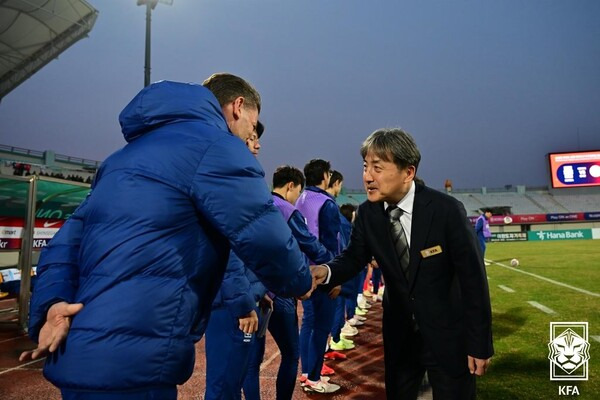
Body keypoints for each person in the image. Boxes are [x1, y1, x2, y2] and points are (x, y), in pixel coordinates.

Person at [20, 74, 315, 400]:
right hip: (138, 356)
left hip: (77, 351)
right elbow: (264, 236)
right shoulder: (217, 148)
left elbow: (65, 244)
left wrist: (53, 303)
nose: (251, 135)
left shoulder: (119, 160)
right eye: (253, 124)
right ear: (238, 106)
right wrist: (301, 280)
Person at [313, 128, 493, 399]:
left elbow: (473, 279)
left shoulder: (446, 210)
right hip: (400, 337)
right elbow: (353, 257)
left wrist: (479, 344)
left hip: (447, 336)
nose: (367, 176)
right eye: (365, 167)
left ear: (407, 172)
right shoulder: (367, 214)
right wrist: (325, 272)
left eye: (377, 167)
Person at [242, 165, 334, 400]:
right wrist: (335, 266)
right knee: (291, 354)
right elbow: (309, 245)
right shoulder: (287, 211)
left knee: (251, 362)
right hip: (279, 292)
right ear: (291, 186)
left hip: (250, 289)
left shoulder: (256, 206)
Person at [203, 122, 269, 400]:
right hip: (231, 304)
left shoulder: (240, 180)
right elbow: (228, 250)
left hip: (242, 297)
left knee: (233, 382)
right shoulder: (224, 182)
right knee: (223, 387)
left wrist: (259, 291)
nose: (257, 145)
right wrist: (243, 302)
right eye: (252, 138)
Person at [296, 159, 342, 394]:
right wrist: (335, 276)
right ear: (325, 176)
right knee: (322, 326)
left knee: (308, 323)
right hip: (322, 273)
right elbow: (330, 242)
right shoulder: (327, 203)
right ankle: (314, 378)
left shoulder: (299, 198)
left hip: (302, 270)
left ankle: (306, 373)